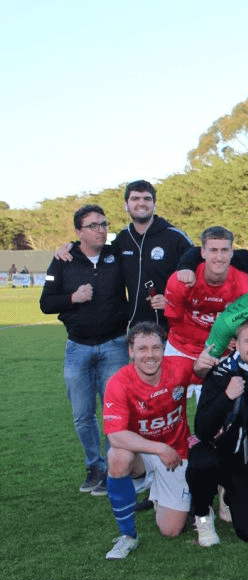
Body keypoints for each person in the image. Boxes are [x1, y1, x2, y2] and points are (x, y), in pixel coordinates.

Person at [40, 204, 129, 496]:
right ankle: (95, 466)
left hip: (115, 345)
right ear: (79, 232)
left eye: (104, 224)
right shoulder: (64, 260)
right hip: (77, 347)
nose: (101, 229)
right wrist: (72, 297)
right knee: (82, 413)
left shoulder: (117, 254)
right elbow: (46, 304)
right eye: (93, 225)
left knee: (114, 410)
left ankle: (115, 470)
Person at [101, 323, 193, 559]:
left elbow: (209, 374)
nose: (150, 355)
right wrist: (160, 448)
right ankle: (128, 536)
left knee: (171, 531)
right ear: (130, 352)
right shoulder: (118, 382)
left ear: (164, 350)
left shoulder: (181, 367)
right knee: (117, 456)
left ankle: (163, 490)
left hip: (176, 453)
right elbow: (116, 435)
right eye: (142, 349)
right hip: (145, 454)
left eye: (156, 348)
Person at [186, 318, 248, 546]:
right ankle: (203, 515)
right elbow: (202, 430)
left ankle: (229, 494)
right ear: (235, 344)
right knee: (200, 461)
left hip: (246, 462)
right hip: (216, 453)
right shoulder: (220, 373)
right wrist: (226, 397)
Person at [163, 226, 248, 399]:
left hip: (221, 354)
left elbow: (246, 324)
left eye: (225, 250)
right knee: (165, 408)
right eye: (213, 250)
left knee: (217, 413)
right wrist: (221, 338)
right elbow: (176, 324)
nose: (219, 257)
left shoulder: (244, 285)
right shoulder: (181, 280)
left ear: (232, 252)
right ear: (202, 252)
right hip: (180, 348)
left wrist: (237, 337)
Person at [114, 180, 193, 329]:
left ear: (154, 205)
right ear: (126, 205)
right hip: (135, 330)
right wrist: (71, 247)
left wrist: (172, 302)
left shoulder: (175, 237)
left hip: (171, 330)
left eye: (147, 199)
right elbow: (95, 254)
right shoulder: (122, 239)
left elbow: (199, 278)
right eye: (135, 199)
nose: (141, 203)